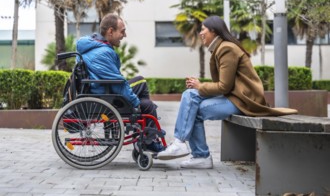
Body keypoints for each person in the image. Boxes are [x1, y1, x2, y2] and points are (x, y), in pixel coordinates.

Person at [157, 15, 297, 168]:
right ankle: (185, 146)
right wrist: (198, 86)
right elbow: (225, 86)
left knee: (194, 109)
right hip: (234, 96)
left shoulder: (226, 49)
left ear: (214, 31)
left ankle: (196, 153)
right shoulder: (221, 48)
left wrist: (200, 85)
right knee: (189, 94)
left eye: (203, 29)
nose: (200, 33)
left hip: (243, 101)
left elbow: (224, 86)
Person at [76, 13, 164, 152]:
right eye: (122, 31)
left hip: (102, 92)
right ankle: (148, 138)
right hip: (106, 96)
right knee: (142, 89)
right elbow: (118, 83)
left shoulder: (94, 47)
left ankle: (147, 135)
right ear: (110, 31)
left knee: (146, 103)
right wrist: (135, 105)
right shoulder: (102, 52)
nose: (125, 35)